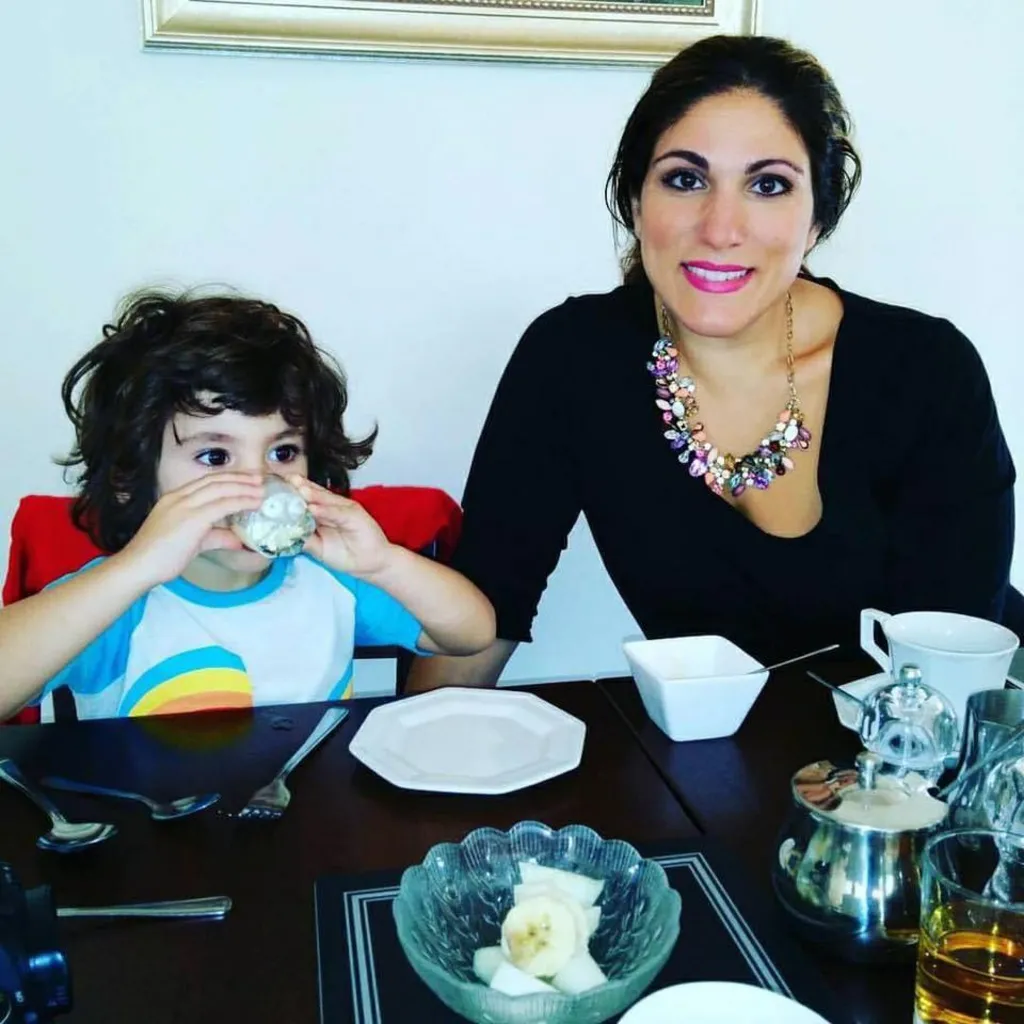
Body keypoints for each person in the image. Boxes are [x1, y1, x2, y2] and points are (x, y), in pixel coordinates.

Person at [406, 34, 1019, 692]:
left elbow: (951, 676)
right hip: (722, 760)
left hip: (954, 751)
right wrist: (406, 757)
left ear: (817, 220)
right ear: (636, 204)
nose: (721, 226)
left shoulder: (926, 370)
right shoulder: (572, 360)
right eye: (685, 179)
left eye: (768, 185)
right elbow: (480, 624)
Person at [0, 291, 495, 721]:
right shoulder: (117, 602)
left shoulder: (330, 582)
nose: (259, 484)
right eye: (215, 456)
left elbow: (472, 635)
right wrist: (131, 571)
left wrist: (385, 564)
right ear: (132, 479)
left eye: (282, 453)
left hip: (312, 823)